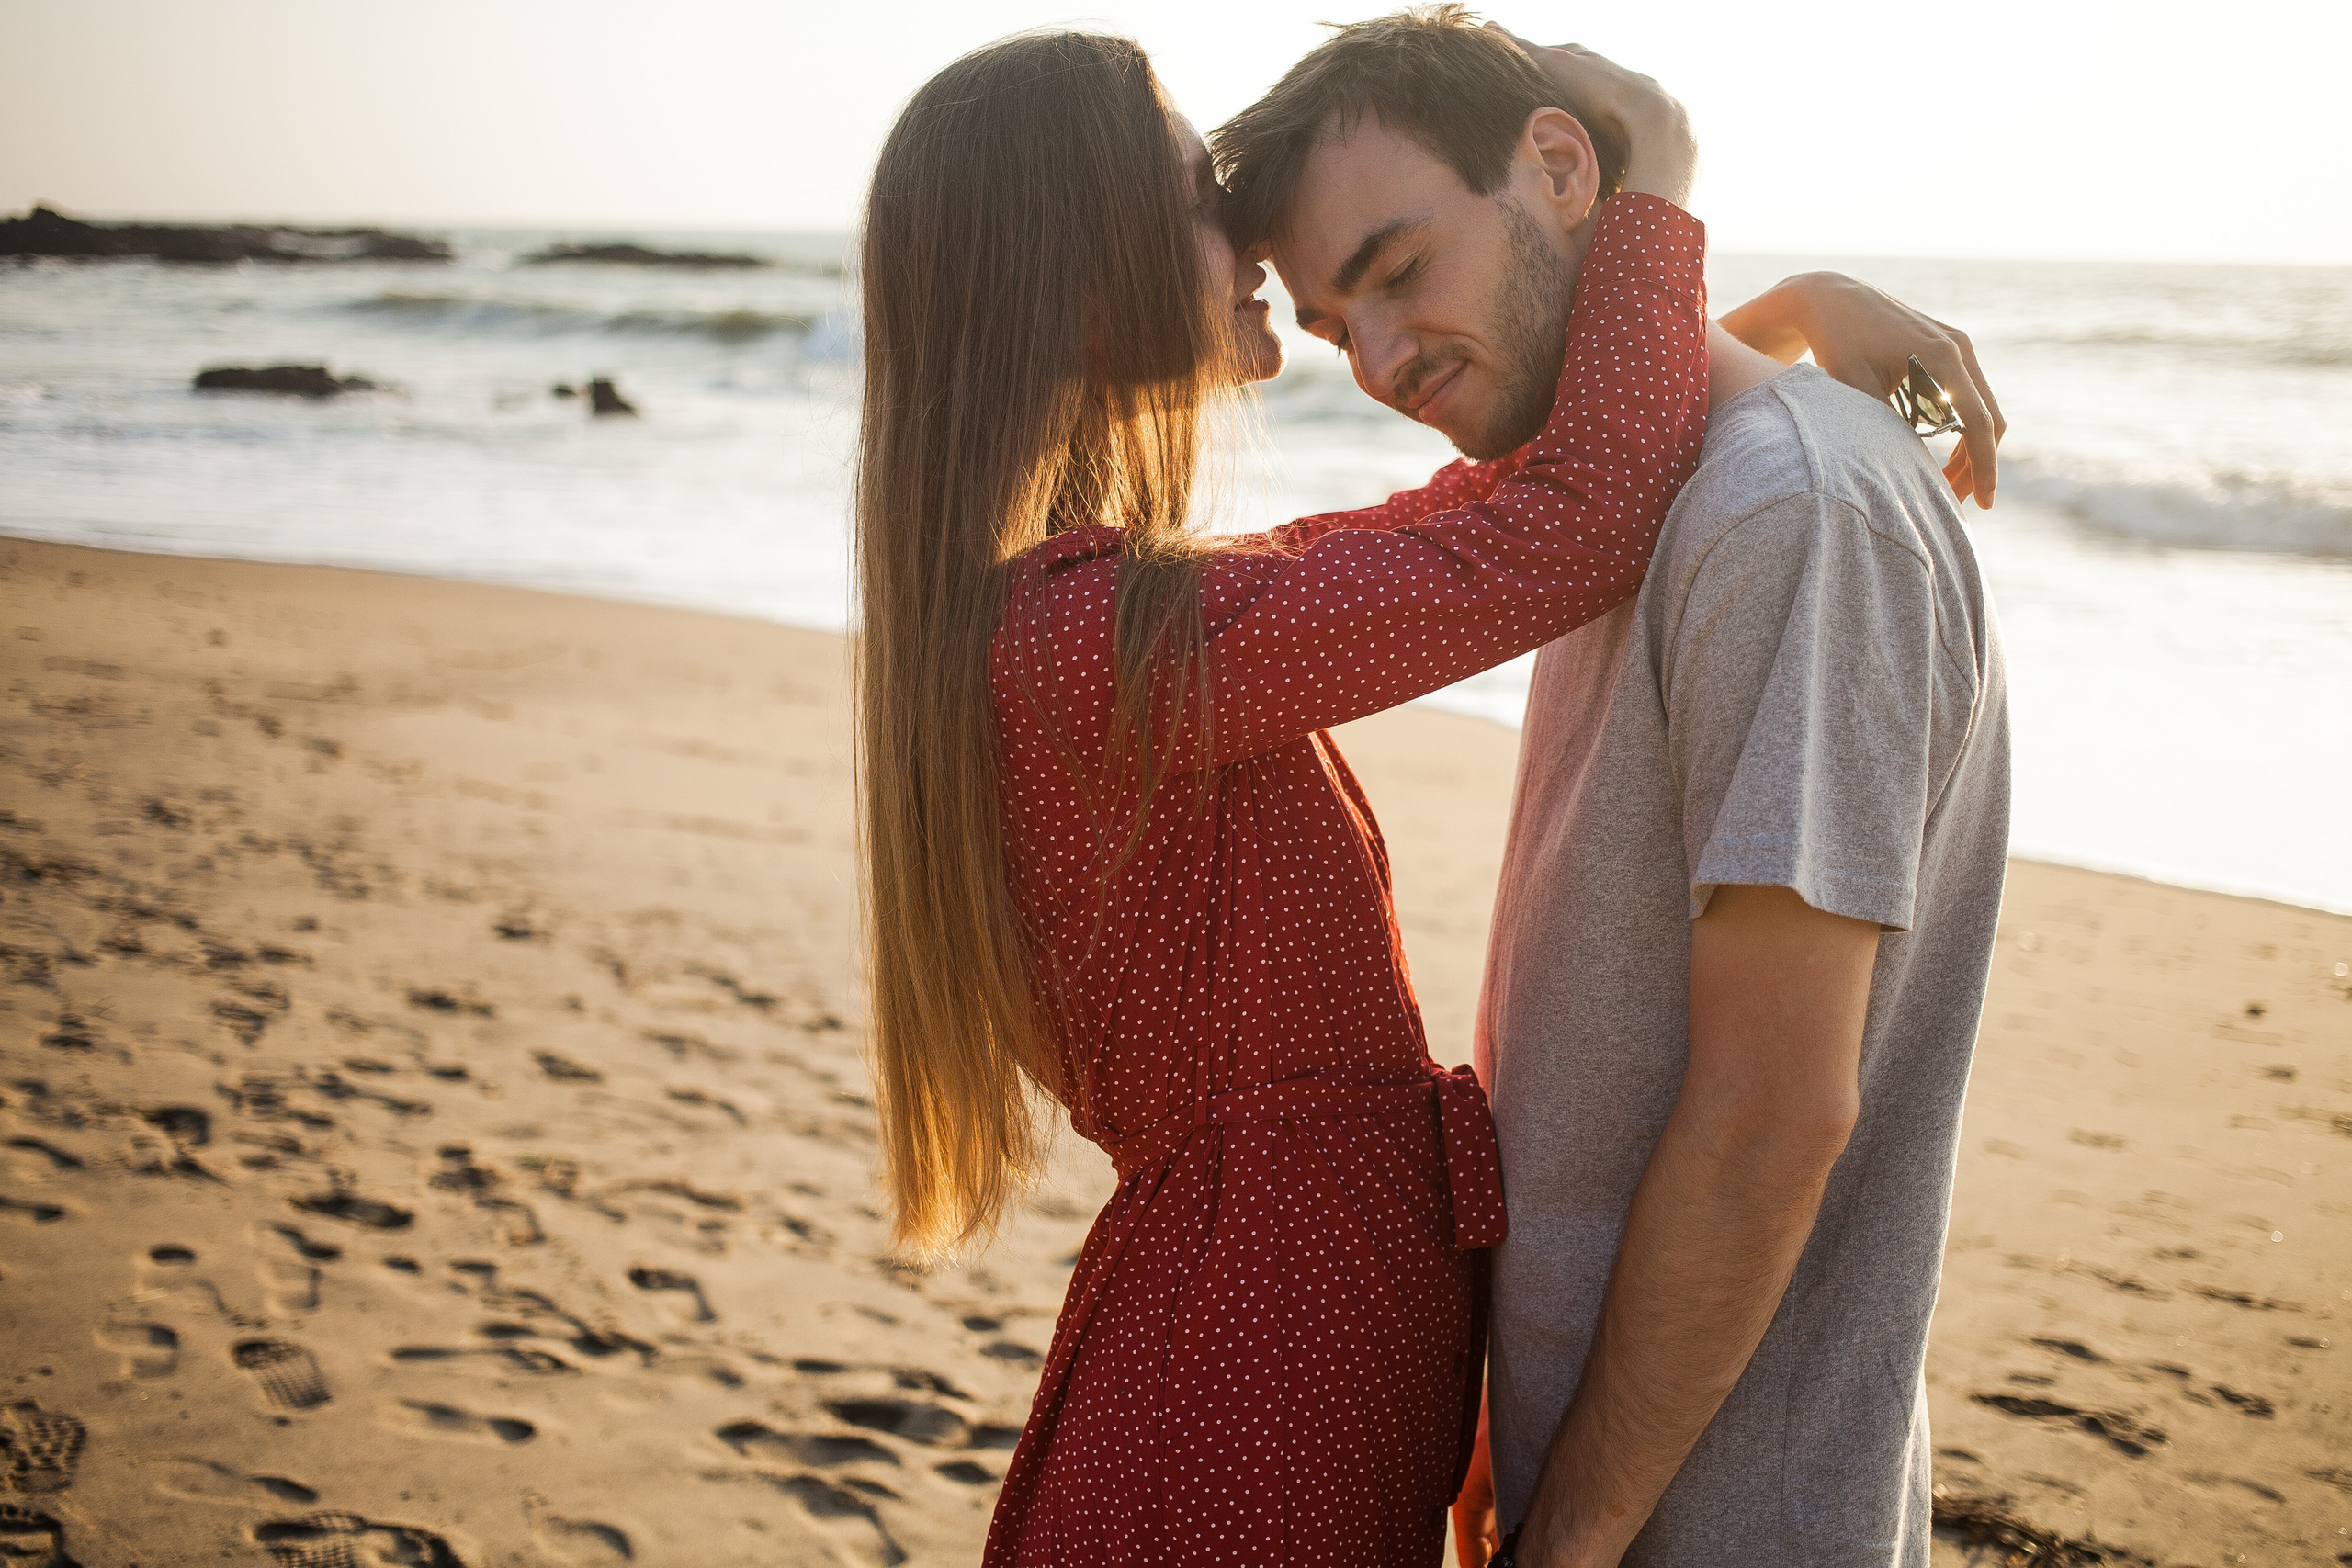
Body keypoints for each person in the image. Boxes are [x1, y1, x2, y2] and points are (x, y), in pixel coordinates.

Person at [856, 22, 1999, 1566]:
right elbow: (1563, 519)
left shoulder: (1097, 621)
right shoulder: (1096, 644)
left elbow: (1506, 500)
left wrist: (1770, 316)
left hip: (1279, 1344)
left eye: (1391, 276)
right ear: (1080, 276)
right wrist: (1657, 179)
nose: (1252, 252)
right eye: (1199, 204)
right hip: (1252, 1379)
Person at [1216, 12, 2012, 1566]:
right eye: (1330, 328)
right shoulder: (1616, 487)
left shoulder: (1785, 518)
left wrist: (1571, 1530)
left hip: (1720, 1518)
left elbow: (1772, 1116)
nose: (1379, 362)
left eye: (1399, 269)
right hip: (1613, 1460)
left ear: (1563, 168)